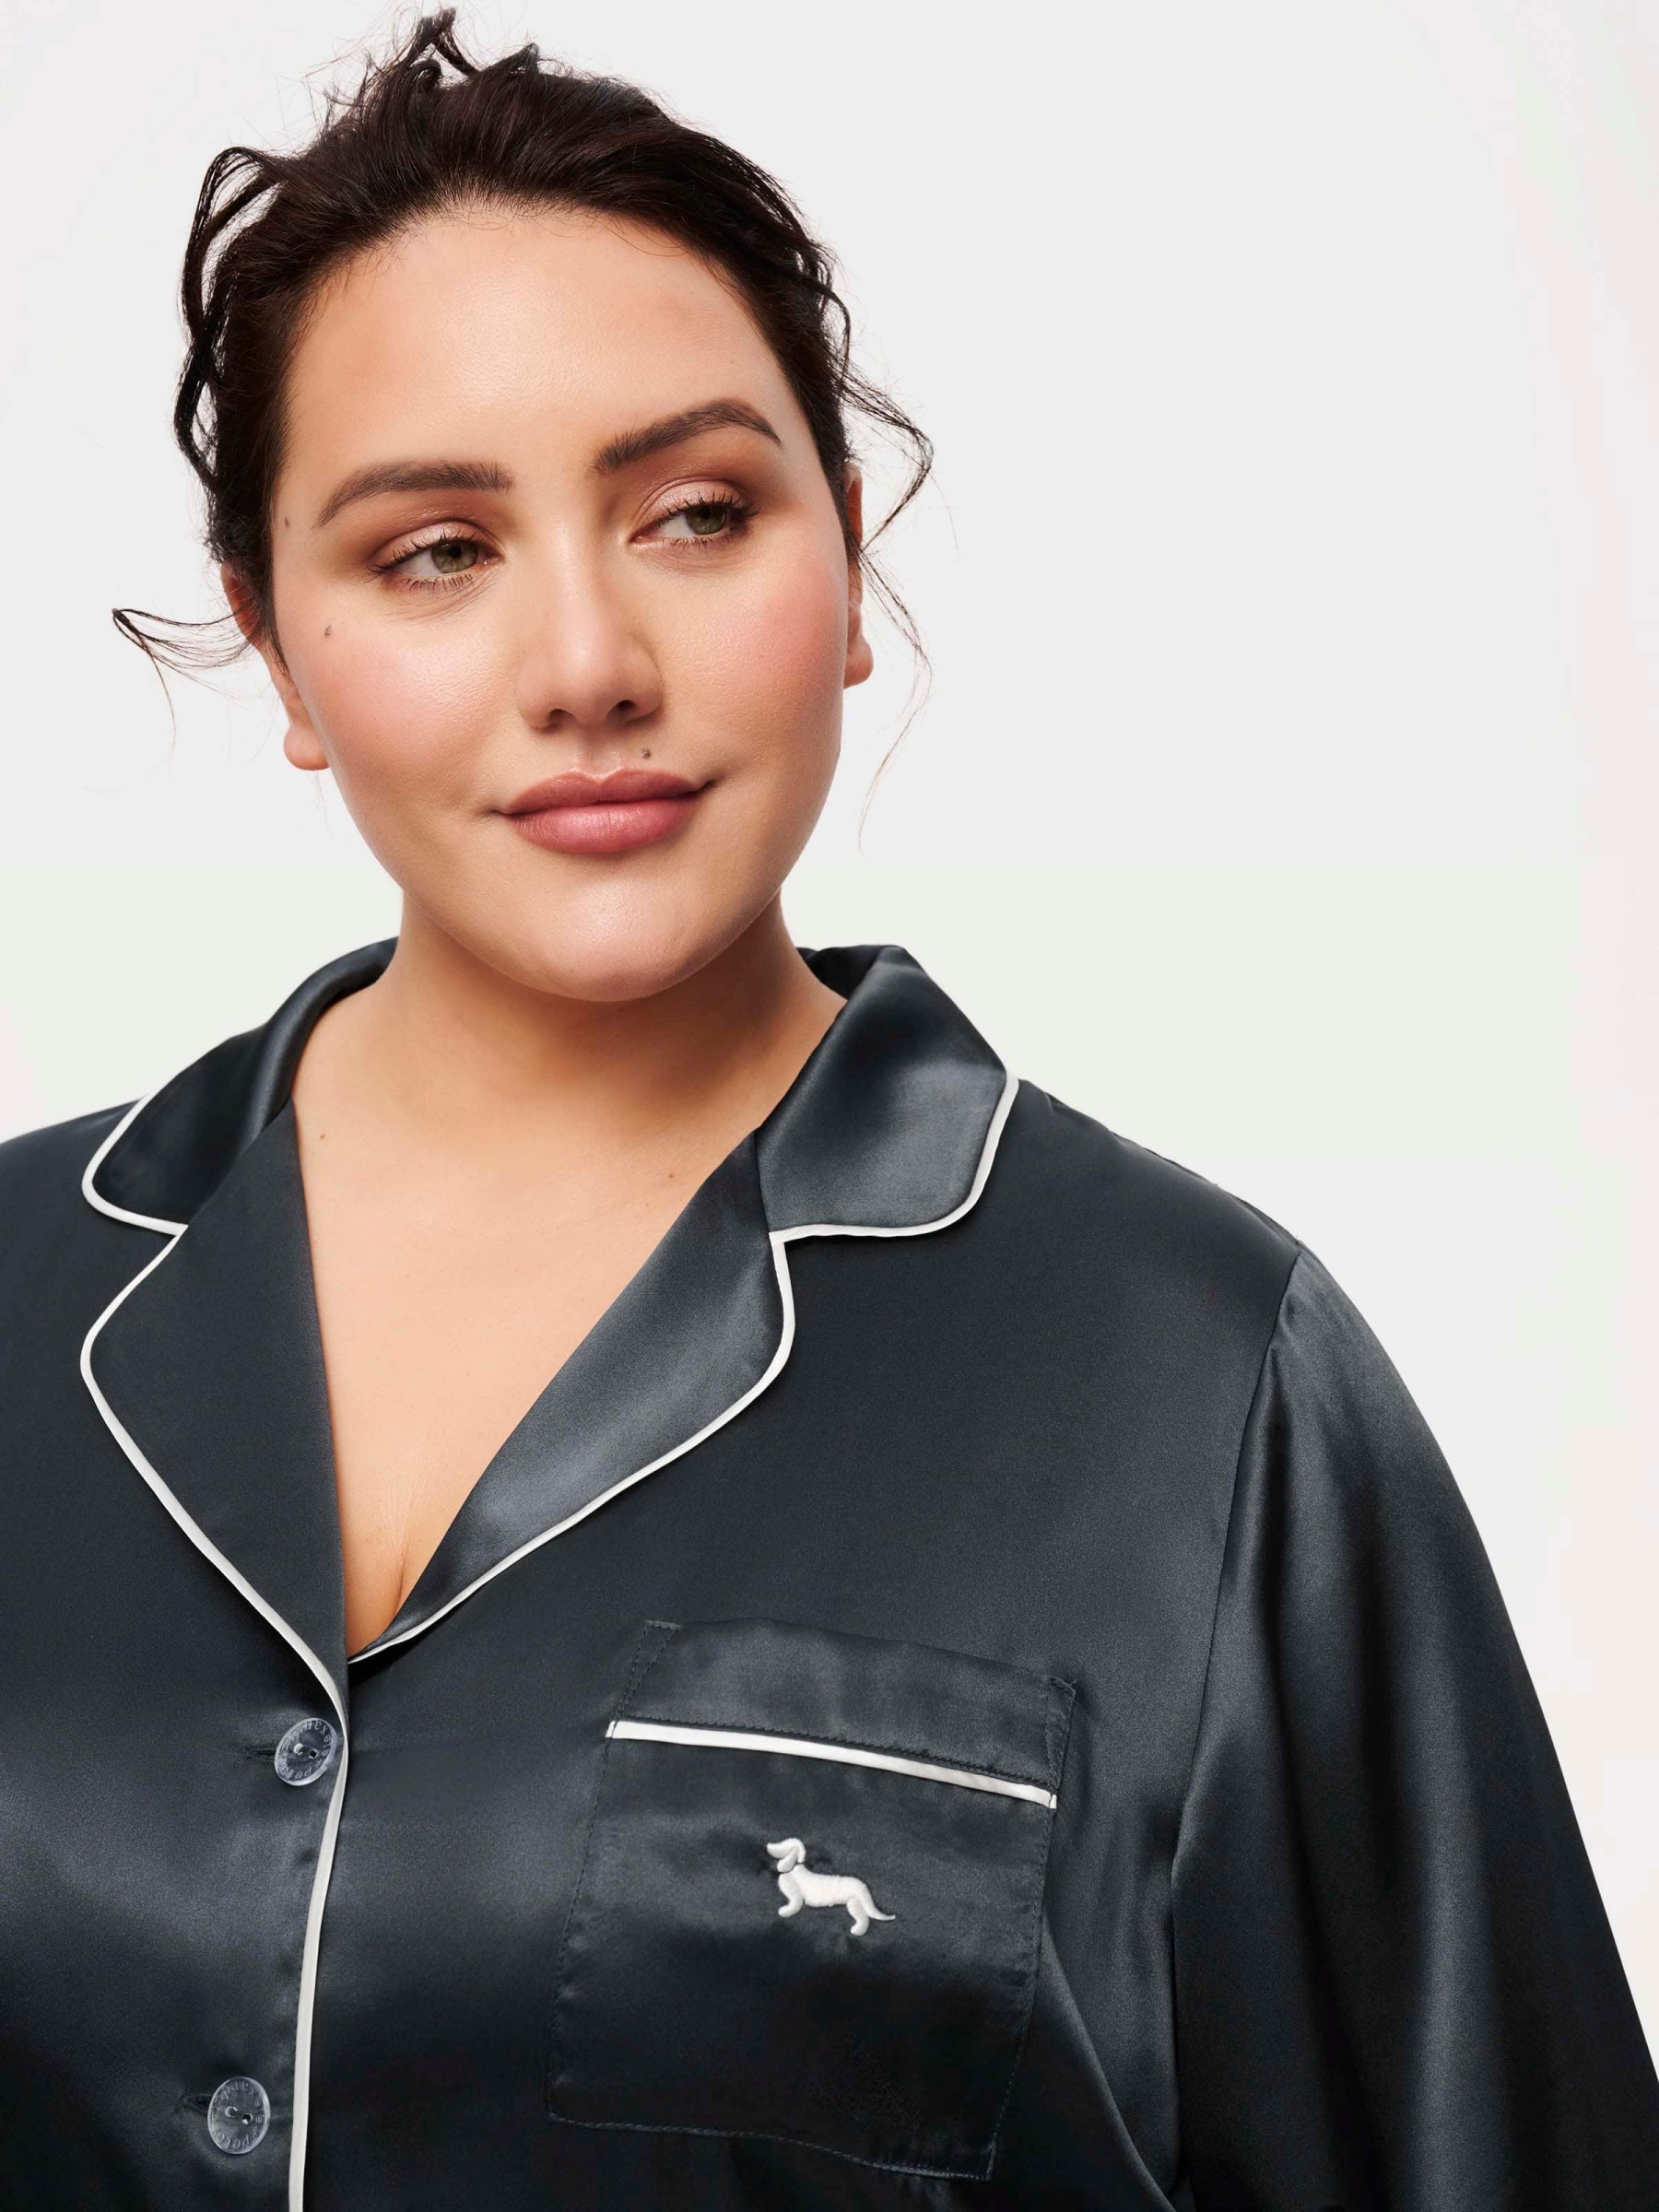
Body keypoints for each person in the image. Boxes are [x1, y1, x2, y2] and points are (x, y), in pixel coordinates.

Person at [1, 15, 1653, 2208]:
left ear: (849, 563)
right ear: (278, 647)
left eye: (696, 515)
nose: (588, 663)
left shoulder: (1196, 1389)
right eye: (436, 551)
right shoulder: (18, 1296)